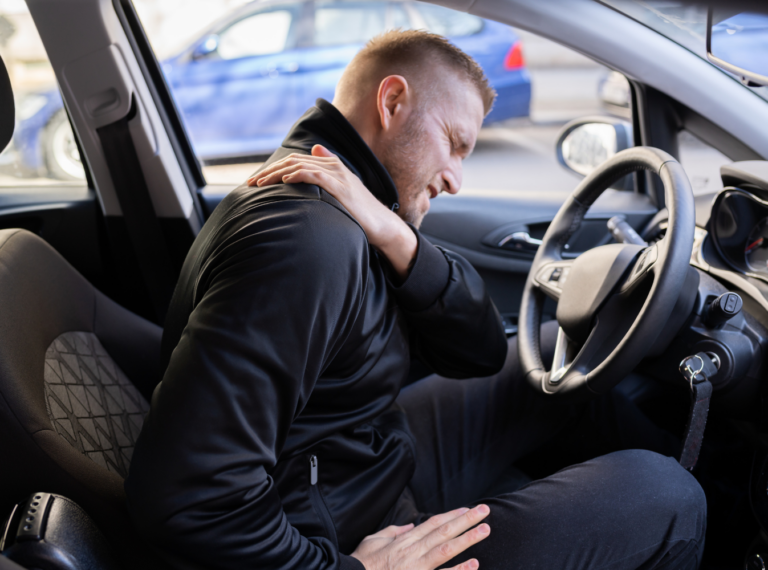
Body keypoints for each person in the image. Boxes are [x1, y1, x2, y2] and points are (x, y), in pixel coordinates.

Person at [125, 30, 706, 570]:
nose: (455, 178)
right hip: (339, 535)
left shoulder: (356, 211)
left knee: (559, 357)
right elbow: (189, 499)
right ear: (392, 101)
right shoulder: (307, 243)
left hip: (360, 467)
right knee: (667, 498)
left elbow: (479, 350)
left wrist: (399, 238)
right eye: (454, 144)